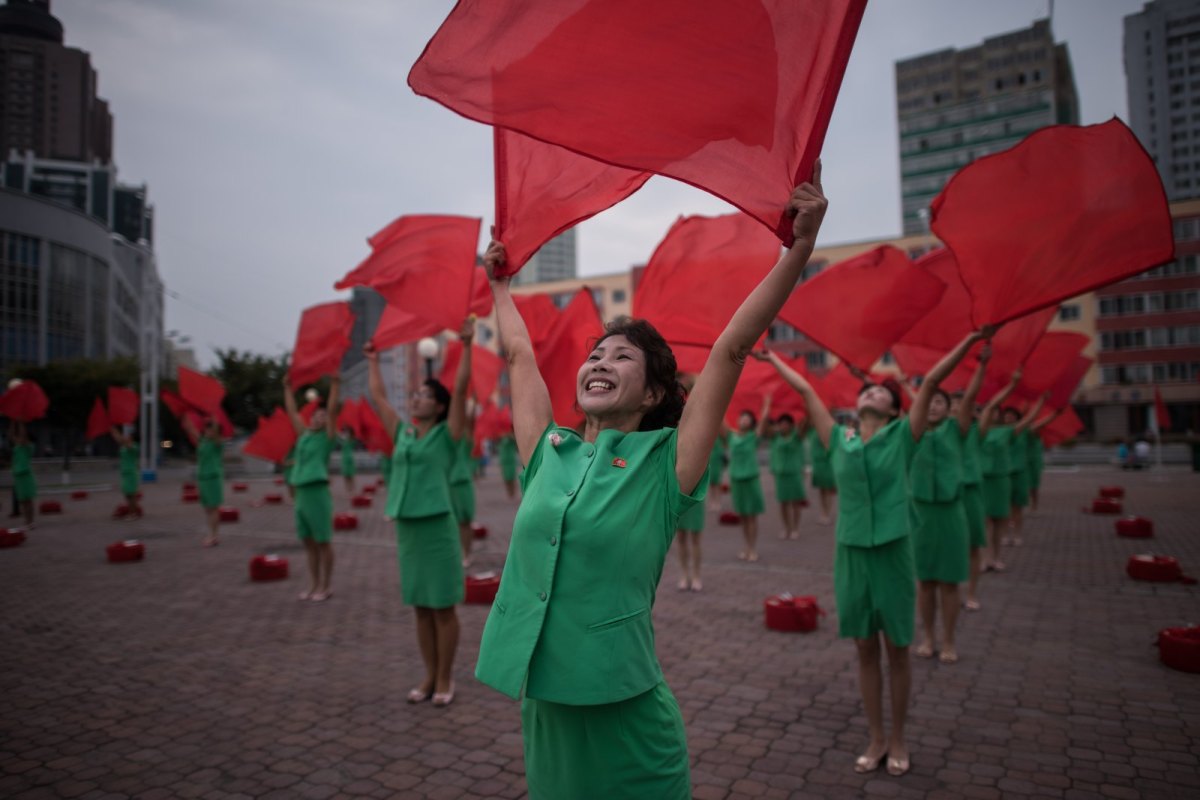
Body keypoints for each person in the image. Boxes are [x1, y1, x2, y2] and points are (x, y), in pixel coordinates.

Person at [474, 170, 827, 799]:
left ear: (655, 391)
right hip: (546, 711)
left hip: (628, 718)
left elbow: (730, 351)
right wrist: (500, 285)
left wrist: (798, 248)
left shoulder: (666, 464)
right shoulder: (548, 452)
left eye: (621, 358)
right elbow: (520, 357)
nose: (600, 364)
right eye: (595, 356)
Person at [756, 328, 982, 777]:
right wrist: (768, 355)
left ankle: (898, 737)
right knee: (864, 648)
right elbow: (804, 388)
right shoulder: (839, 440)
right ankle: (876, 736)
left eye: (882, 391)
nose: (873, 392)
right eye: (868, 389)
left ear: (896, 409)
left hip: (895, 551)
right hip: (851, 553)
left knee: (897, 648)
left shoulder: (903, 436)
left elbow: (934, 382)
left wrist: (971, 338)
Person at [366, 320, 473, 708]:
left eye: (425, 395)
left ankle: (445, 677)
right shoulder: (403, 434)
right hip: (408, 529)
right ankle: (428, 675)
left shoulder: (448, 435)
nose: (416, 398)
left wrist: (466, 346)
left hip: (437, 528)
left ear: (439, 406)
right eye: (415, 394)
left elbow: (461, 389)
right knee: (421, 607)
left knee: (443, 606)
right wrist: (374, 361)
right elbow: (379, 398)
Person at [910, 336, 995, 664]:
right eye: (929, 401)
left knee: (948, 584)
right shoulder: (912, 433)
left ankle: (948, 639)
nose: (933, 405)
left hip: (950, 513)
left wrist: (982, 364)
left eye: (940, 402)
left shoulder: (956, 430)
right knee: (925, 583)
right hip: (921, 515)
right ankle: (928, 636)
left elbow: (971, 396)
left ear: (950, 409)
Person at [282, 376, 340, 602]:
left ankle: (326, 586)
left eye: (323, 416)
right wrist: (287, 388)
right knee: (308, 543)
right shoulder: (304, 436)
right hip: (301, 493)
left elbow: (333, 409)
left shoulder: (326, 438)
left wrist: (335, 384)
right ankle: (313, 584)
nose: (319, 418)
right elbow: (292, 412)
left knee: (323, 541)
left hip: (317, 493)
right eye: (317, 415)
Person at [951, 346, 992, 612]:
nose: (957, 408)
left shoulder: (974, 431)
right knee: (951, 550)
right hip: (948, 497)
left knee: (973, 547)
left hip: (971, 492)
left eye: (961, 405)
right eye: (952, 404)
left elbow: (977, 399)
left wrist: (982, 366)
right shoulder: (934, 432)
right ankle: (952, 591)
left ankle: (973, 592)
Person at [727, 395, 771, 562]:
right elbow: (720, 419)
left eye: (747, 418)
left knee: (752, 516)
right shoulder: (731, 437)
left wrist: (766, 404)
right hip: (736, 481)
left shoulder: (753, 437)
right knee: (743, 517)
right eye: (742, 417)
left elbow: (764, 420)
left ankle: (752, 548)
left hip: (750, 480)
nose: (743, 420)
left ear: (751, 423)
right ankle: (745, 547)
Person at [1000, 395, 1047, 547]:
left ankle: (1017, 535)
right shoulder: (998, 433)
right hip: (1005, 474)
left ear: (1017, 418)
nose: (1009, 419)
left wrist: (1041, 402)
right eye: (1006, 416)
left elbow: (1036, 421)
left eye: (1012, 416)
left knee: (1017, 508)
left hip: (1020, 473)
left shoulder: (1024, 432)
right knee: (1005, 508)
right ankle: (1005, 535)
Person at [182, 416, 226, 547]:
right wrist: (185, 416)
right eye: (207, 429)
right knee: (208, 508)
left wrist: (214, 419)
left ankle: (214, 536)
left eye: (211, 430)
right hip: (202, 478)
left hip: (213, 477)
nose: (208, 432)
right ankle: (212, 534)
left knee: (214, 508)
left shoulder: (218, 443)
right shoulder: (203, 441)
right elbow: (191, 430)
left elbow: (217, 434)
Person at [767, 413, 808, 540]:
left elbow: (804, 426)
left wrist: (806, 411)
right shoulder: (775, 437)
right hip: (781, 475)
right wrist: (767, 409)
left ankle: (795, 528)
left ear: (791, 425)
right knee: (783, 503)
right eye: (781, 424)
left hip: (794, 473)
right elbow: (765, 428)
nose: (783, 426)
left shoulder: (796, 436)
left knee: (795, 503)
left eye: (786, 424)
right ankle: (786, 528)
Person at [450, 413, 477, 567]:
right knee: (450, 522)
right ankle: (456, 552)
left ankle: (466, 553)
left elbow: (469, 422)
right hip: (446, 483)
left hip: (462, 483)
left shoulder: (465, 440)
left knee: (465, 521)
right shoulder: (445, 437)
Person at [111, 426, 143, 519]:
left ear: (133, 438)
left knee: (131, 494)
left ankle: (133, 514)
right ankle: (133, 510)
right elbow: (119, 440)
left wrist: (116, 432)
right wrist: (114, 432)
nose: (127, 437)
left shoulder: (134, 446)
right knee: (127, 494)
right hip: (125, 473)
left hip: (131, 474)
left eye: (129, 436)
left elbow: (123, 441)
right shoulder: (125, 446)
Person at [808, 425, 837, 524]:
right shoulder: (812, 431)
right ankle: (823, 512)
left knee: (828, 489)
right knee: (822, 490)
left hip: (827, 462)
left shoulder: (828, 430)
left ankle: (827, 513)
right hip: (818, 464)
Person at [10, 421, 35, 528]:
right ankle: (26, 520)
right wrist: (13, 421)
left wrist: (20, 422)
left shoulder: (28, 447)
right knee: (22, 501)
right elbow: (11, 435)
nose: (19, 438)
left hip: (26, 475)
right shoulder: (18, 446)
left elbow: (23, 435)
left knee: (28, 500)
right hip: (18, 475)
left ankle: (31, 521)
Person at [705, 430, 727, 511]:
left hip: (717, 461)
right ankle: (712, 501)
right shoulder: (708, 435)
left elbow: (725, 444)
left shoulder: (721, 436)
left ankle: (717, 501)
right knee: (710, 483)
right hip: (709, 460)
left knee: (717, 483)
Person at [497, 428, 520, 500]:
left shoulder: (511, 436)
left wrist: (509, 435)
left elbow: (516, 442)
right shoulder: (500, 436)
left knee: (512, 477)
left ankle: (513, 492)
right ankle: (509, 491)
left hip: (511, 460)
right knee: (506, 477)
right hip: (504, 460)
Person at [340, 427, 357, 498]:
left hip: (349, 458)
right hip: (344, 458)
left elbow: (353, 441)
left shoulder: (351, 440)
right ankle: (348, 489)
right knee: (345, 475)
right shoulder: (344, 440)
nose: (346, 434)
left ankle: (352, 489)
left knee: (351, 475)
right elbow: (339, 439)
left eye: (348, 432)